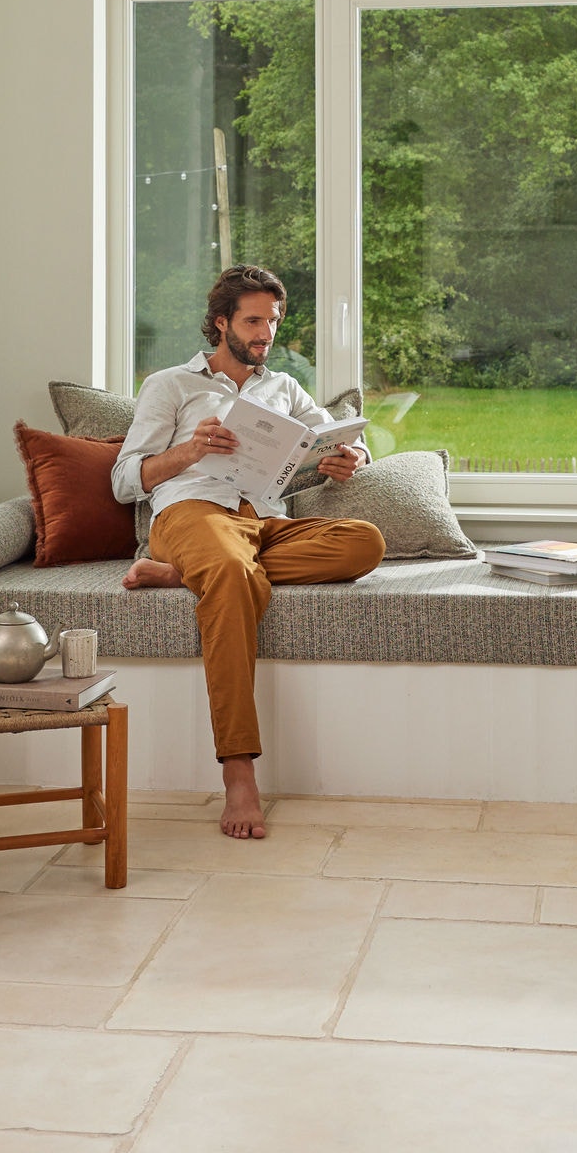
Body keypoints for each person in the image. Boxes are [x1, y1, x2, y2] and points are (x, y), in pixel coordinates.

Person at [111, 265, 385, 839]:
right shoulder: (171, 385)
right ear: (220, 323)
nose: (267, 334)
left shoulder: (282, 388)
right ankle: (238, 773)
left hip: (261, 519)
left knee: (364, 542)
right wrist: (188, 452)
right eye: (254, 321)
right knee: (232, 576)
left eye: (274, 321)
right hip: (193, 512)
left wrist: (349, 456)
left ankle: (183, 575)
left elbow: (339, 433)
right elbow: (124, 480)